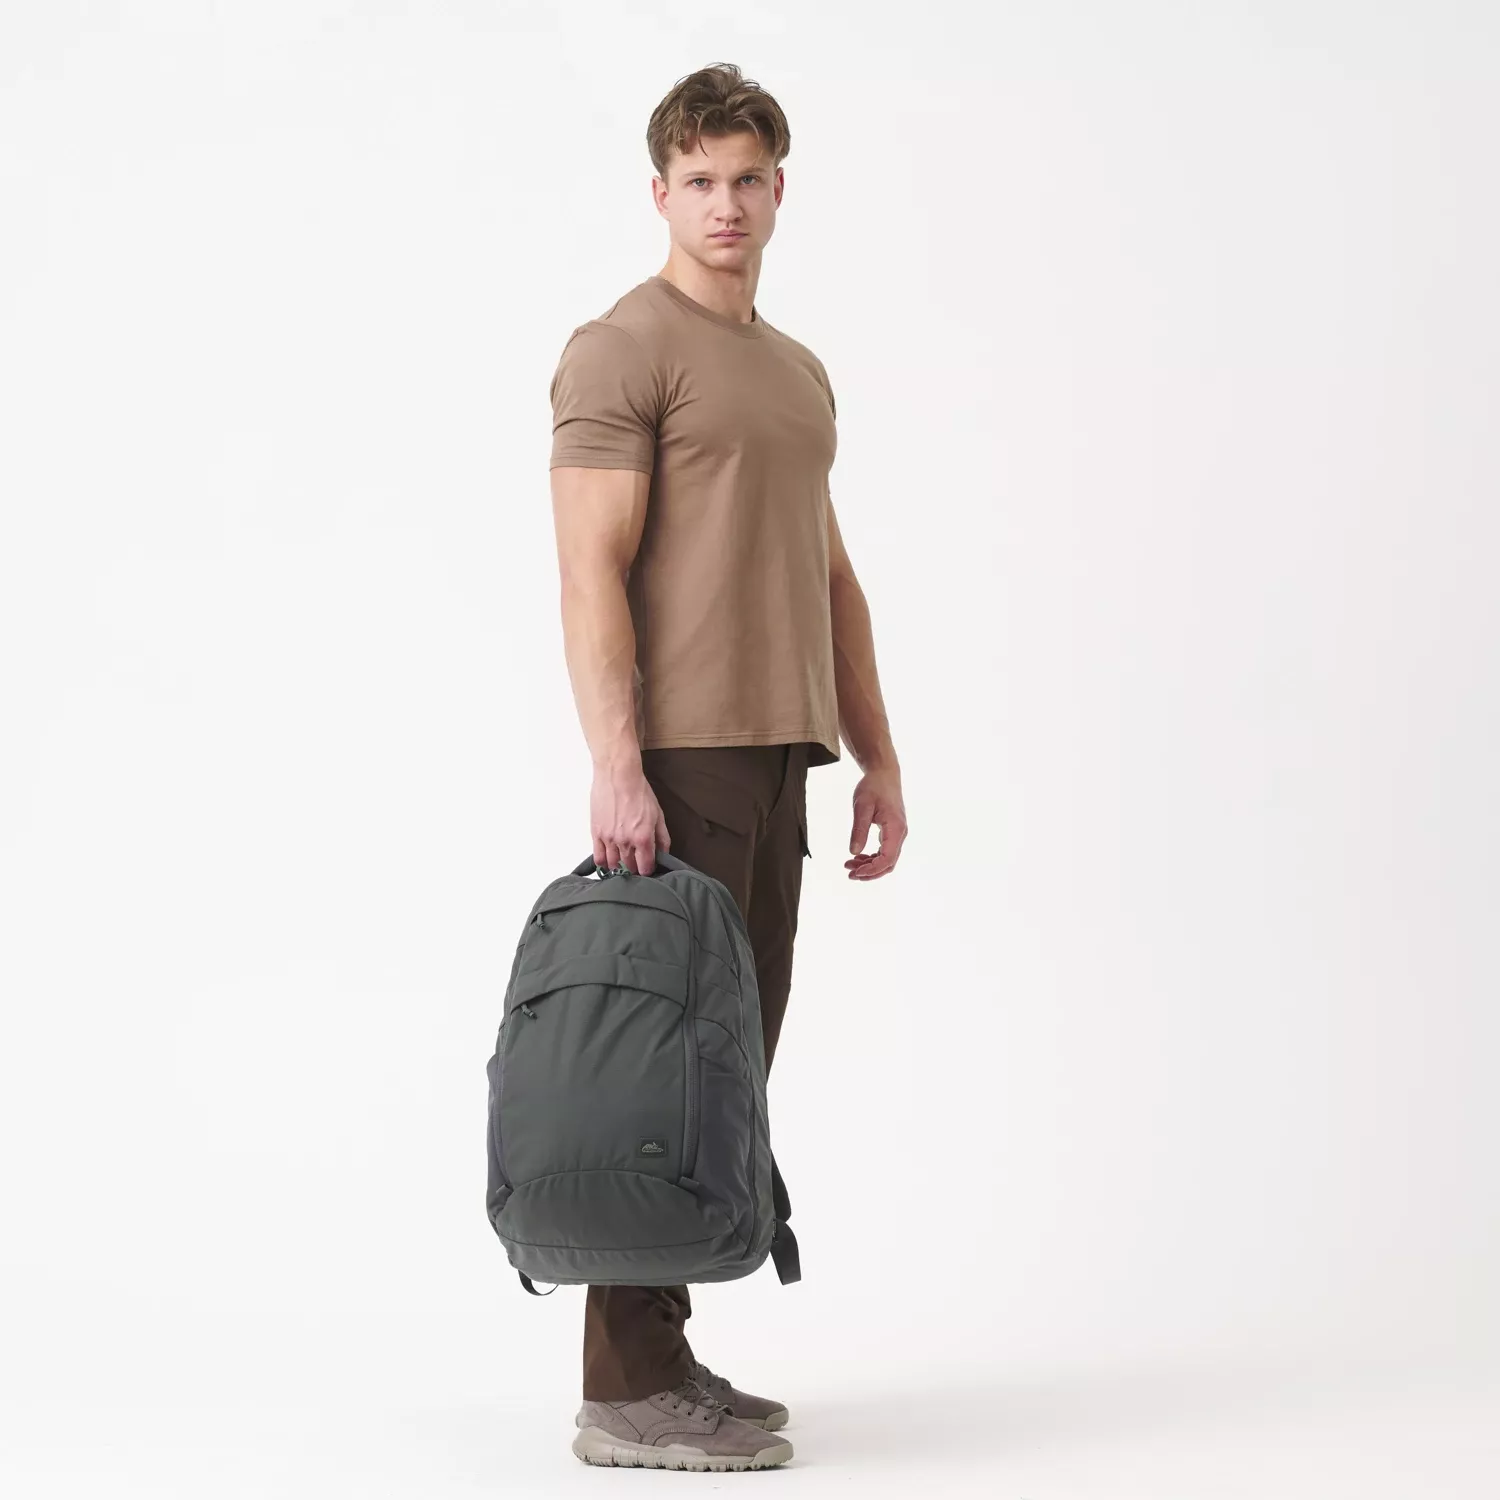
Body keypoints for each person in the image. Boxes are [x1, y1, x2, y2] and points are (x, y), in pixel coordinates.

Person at [547, 61, 907, 1473]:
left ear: (778, 188)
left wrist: (877, 752)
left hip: (780, 753)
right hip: (682, 755)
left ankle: (663, 1353)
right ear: (660, 192)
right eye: (699, 180)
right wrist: (616, 765)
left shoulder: (796, 371)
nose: (726, 205)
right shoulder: (620, 348)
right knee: (660, 1069)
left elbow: (832, 574)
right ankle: (625, 1388)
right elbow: (590, 569)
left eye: (748, 178)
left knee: (727, 1068)